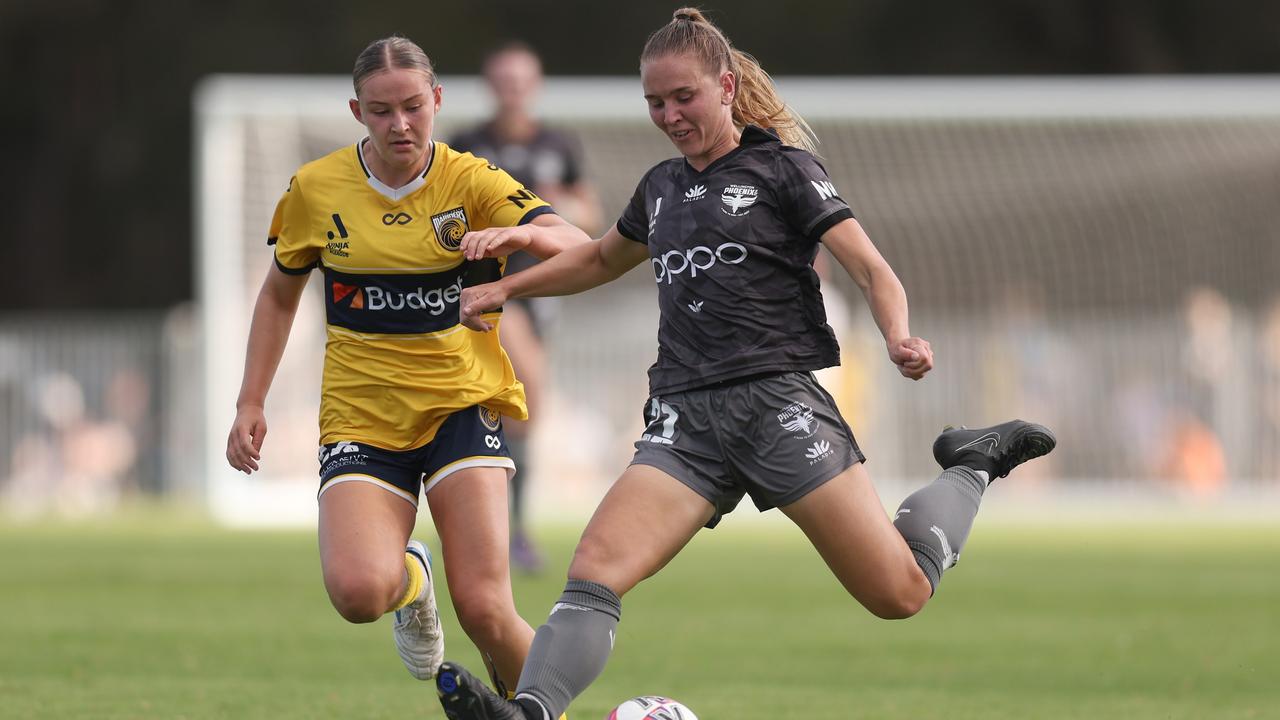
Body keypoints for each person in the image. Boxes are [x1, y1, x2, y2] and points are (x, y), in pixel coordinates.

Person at [431, 10, 1056, 720]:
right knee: (593, 570)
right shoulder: (661, 187)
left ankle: (971, 464)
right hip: (684, 420)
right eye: (655, 103)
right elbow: (600, 258)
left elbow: (872, 268)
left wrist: (899, 336)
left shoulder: (783, 170)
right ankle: (531, 712)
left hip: (777, 407)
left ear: (726, 87)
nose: (668, 115)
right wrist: (505, 287)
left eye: (683, 97)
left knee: (900, 593)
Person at [223, 35, 590, 698]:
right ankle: (412, 580)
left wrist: (521, 236)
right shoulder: (316, 188)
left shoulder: (470, 180)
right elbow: (279, 294)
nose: (401, 124)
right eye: (382, 110)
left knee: (484, 609)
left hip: (461, 405)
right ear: (357, 110)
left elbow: (579, 246)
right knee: (361, 592)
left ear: (438, 100)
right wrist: (251, 401)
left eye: (414, 107)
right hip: (362, 417)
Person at [450, 41, 603, 573]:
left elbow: (587, 212)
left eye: (522, 80)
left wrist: (555, 201)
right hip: (488, 290)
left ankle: (509, 530)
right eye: (504, 80)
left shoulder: (558, 144)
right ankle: (498, 531)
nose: (513, 89)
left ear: (533, 86)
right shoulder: (468, 144)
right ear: (491, 86)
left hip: (541, 289)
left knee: (513, 411)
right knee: (525, 392)